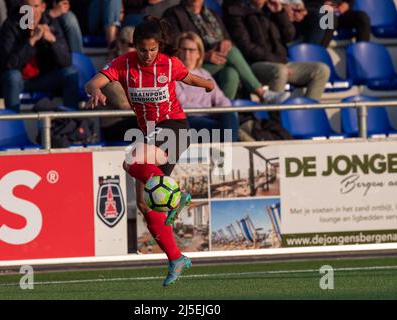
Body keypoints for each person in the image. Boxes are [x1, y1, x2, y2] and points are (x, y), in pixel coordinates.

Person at [85, 16, 215, 286]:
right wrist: (95, 92)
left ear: (159, 47)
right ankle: (176, 258)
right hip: (150, 134)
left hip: (175, 128)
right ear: (135, 47)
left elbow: (188, 76)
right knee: (145, 205)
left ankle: (176, 194)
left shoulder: (169, 63)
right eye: (143, 49)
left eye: (153, 49)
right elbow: (93, 82)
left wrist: (207, 84)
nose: (148, 55)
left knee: (131, 160)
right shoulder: (124, 64)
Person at [163, 0, 289, 103]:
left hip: (216, 63)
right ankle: (262, 93)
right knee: (232, 53)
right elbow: (172, 48)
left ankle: (224, 115)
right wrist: (205, 56)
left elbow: (227, 38)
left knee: (231, 73)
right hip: (189, 66)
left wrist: (227, 42)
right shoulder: (173, 14)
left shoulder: (212, 14)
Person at [223, 0, 330, 104]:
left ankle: (309, 113)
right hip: (253, 64)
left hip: (280, 61)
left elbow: (289, 36)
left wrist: (279, 13)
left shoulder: (270, 9)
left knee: (321, 70)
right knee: (280, 71)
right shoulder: (236, 10)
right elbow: (246, 47)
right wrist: (277, 61)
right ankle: (274, 118)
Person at [0, 0, 79, 111]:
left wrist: (53, 41)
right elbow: (10, 64)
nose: (31, 11)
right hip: (16, 81)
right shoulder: (11, 25)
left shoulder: (51, 24)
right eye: (27, 7)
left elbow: (66, 62)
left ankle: (73, 123)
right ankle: (14, 124)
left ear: (43, 7)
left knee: (70, 73)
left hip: (42, 79)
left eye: (35, 6)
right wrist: (32, 41)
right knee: (13, 76)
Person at [175, 32, 240, 142]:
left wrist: (224, 110)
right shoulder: (172, 75)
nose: (187, 54)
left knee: (230, 115)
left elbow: (220, 99)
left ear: (199, 54)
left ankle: (229, 148)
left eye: (191, 50)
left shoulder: (204, 74)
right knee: (219, 128)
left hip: (211, 115)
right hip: (189, 120)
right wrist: (211, 111)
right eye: (183, 49)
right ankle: (230, 150)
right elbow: (183, 105)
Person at [301, 0, 370, 47]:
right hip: (320, 11)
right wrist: (324, 5)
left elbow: (349, 1)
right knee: (331, 19)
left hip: (340, 12)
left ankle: (362, 56)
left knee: (363, 18)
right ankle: (320, 53)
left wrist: (346, 4)